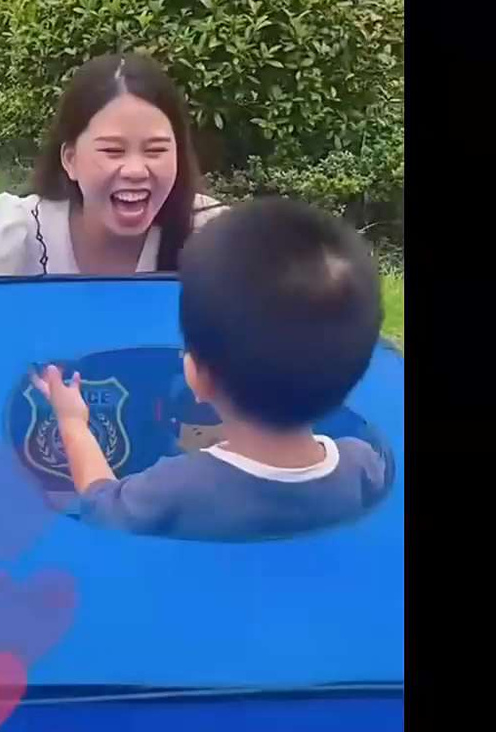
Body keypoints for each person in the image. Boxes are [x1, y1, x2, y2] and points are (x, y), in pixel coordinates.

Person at [31, 197, 395, 542]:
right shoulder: (362, 466)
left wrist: (72, 422)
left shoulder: (174, 488)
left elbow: (102, 506)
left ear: (199, 378)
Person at [0, 53, 224, 294]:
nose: (135, 170)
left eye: (156, 150)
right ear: (70, 159)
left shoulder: (215, 236)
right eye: (112, 150)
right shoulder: (20, 231)